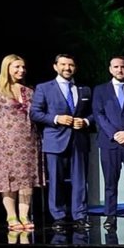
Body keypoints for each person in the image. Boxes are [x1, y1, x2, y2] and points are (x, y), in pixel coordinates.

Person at [0, 54, 44, 231]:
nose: (21, 70)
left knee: (27, 178)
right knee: (7, 179)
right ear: (7, 68)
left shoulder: (29, 91)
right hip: (5, 143)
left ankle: (24, 215)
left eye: (23, 67)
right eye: (17, 67)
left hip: (28, 141)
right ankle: (11, 216)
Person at [29, 53, 93, 228]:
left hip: (79, 140)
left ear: (75, 67)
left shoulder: (84, 89)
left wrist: (85, 121)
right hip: (55, 140)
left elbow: (93, 114)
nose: (67, 68)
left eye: (71, 65)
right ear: (55, 66)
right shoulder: (44, 88)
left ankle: (80, 216)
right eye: (63, 64)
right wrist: (57, 119)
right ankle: (58, 216)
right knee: (56, 181)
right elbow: (35, 113)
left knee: (80, 180)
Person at [91, 56, 124, 226]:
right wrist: (115, 134)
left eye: (123, 67)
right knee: (110, 182)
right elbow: (98, 114)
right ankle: (110, 215)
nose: (119, 70)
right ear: (110, 69)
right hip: (110, 142)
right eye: (116, 67)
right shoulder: (100, 90)